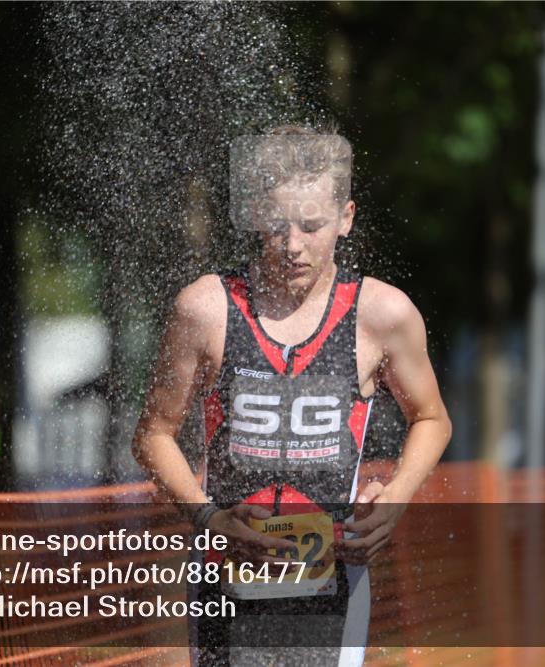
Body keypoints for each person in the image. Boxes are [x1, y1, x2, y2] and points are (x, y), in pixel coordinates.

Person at [131, 124, 452, 666]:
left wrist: (395, 498)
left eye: (312, 225)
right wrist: (209, 518)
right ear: (255, 214)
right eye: (278, 225)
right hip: (224, 575)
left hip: (335, 578)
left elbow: (432, 417)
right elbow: (152, 435)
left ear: (346, 218)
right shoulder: (205, 310)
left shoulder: (382, 314)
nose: (293, 245)